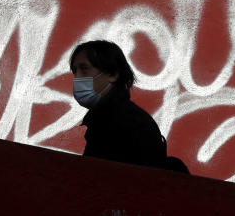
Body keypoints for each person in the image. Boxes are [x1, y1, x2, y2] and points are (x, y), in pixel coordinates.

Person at [70, 40, 188, 173]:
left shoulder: (120, 121)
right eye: (75, 71)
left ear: (113, 74)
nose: (77, 77)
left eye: (84, 69)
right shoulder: (110, 117)